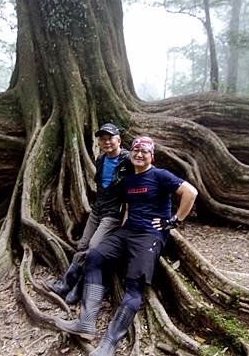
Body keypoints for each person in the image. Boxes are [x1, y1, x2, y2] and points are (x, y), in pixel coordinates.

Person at [56, 136, 198, 356]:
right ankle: (86, 322)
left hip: (149, 236)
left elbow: (191, 192)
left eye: (145, 151)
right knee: (94, 257)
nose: (139, 154)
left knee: (134, 286)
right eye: (136, 150)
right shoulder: (129, 181)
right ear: (131, 153)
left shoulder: (160, 175)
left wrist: (174, 221)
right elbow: (127, 210)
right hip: (127, 232)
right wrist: (119, 234)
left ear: (152, 155)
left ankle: (109, 343)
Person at [48, 123, 131, 304]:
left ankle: (79, 289)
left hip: (112, 214)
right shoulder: (101, 159)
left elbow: (138, 183)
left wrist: (127, 216)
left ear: (119, 140)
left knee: (94, 248)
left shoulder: (128, 160)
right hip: (97, 210)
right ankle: (66, 284)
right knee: (83, 245)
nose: (106, 142)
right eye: (102, 139)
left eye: (110, 138)